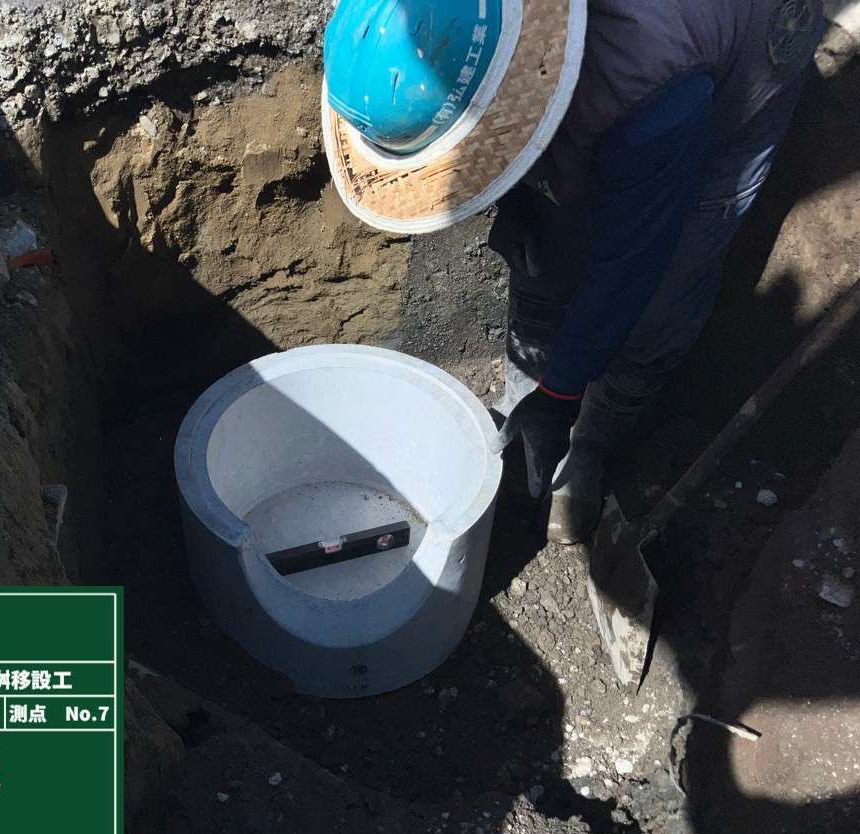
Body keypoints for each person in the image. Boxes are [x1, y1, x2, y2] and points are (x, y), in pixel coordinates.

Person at [321, 0, 827, 543]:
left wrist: (561, 400)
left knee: (662, 300)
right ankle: (522, 395)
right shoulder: (455, 29)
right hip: (637, 86)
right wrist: (521, 208)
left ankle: (590, 442)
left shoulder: (646, 85)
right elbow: (509, 147)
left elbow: (633, 264)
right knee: (542, 243)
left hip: (743, 49)